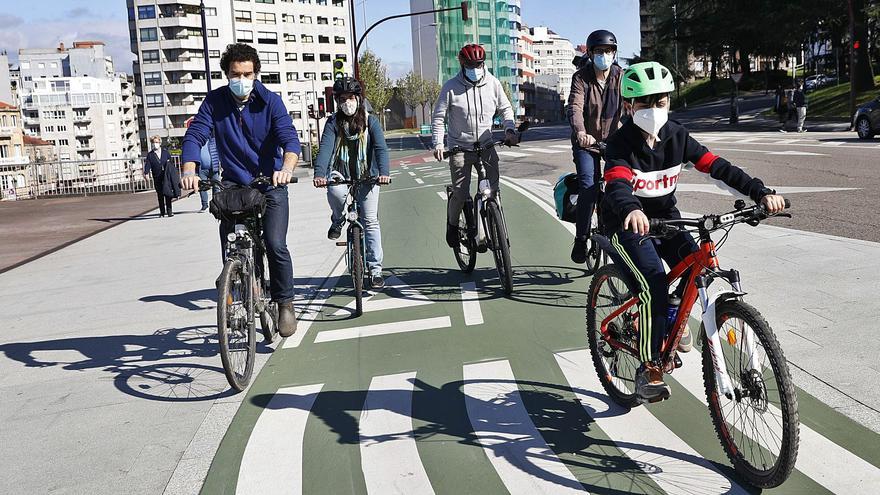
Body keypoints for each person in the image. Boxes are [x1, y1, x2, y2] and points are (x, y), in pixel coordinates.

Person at [602, 61, 787, 402]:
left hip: (667, 219)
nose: (654, 109)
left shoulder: (677, 136)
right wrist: (631, 209)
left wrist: (761, 193)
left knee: (698, 265)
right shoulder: (619, 144)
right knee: (653, 283)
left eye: (660, 102)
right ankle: (649, 366)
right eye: (645, 103)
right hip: (625, 222)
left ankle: (672, 320)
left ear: (669, 102)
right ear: (629, 106)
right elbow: (616, 184)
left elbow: (718, 168)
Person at [180, 43, 302, 337]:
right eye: (235, 74)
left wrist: (286, 169)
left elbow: (289, 139)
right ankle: (234, 284)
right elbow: (195, 135)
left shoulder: (270, 101)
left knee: (275, 244)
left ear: (255, 73)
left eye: (247, 73)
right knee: (229, 245)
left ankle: (285, 303)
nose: (241, 79)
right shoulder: (215, 102)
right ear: (227, 74)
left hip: (270, 182)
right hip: (235, 183)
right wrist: (189, 170)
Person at [431, 43, 518, 248]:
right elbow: (438, 118)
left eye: (479, 64)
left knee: (493, 191)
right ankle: (452, 225)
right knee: (461, 194)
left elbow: (506, 108)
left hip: (486, 146)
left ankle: (494, 226)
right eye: (470, 64)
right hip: (459, 147)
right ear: (462, 64)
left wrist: (510, 130)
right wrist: (438, 143)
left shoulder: (493, 83)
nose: (475, 68)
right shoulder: (451, 87)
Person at [313, 77, 391, 289]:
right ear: (337, 101)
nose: (347, 102)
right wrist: (320, 174)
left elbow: (381, 149)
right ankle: (338, 219)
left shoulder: (371, 120)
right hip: (342, 172)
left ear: (358, 99)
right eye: (342, 99)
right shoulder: (332, 123)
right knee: (335, 192)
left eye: (351, 98)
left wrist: (383, 172)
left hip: (369, 177)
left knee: (371, 221)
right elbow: (325, 149)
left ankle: (375, 270)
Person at [566, 29, 628, 264]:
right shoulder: (581, 78)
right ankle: (581, 238)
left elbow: (631, 107)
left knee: (622, 182)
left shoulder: (621, 76)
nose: (605, 55)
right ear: (591, 54)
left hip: (612, 142)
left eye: (609, 50)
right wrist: (581, 132)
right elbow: (574, 107)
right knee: (588, 185)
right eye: (600, 51)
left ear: (614, 53)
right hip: (586, 143)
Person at [143, 135, 180, 218]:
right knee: (160, 195)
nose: (154, 144)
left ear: (160, 143)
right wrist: (146, 173)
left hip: (166, 176)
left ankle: (170, 211)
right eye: (153, 142)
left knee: (168, 193)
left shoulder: (165, 152)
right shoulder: (150, 155)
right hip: (157, 177)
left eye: (156, 142)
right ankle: (162, 212)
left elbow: (170, 164)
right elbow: (147, 165)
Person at [197, 134, 221, 212]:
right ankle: (204, 205)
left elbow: (219, 153)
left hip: (214, 168)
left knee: (216, 187)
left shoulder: (213, 141)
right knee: (202, 187)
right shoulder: (198, 143)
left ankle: (217, 204)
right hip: (202, 169)